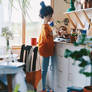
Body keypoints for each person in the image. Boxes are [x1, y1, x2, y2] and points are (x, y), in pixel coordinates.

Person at [38, 1, 55, 92]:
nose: (51, 17)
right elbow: (47, 40)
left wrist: (53, 35)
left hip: (46, 50)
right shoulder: (45, 27)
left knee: (45, 69)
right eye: (50, 15)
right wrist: (53, 37)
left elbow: (49, 36)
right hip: (45, 50)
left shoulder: (46, 26)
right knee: (44, 70)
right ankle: (43, 89)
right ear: (47, 15)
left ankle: (44, 88)